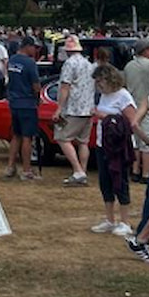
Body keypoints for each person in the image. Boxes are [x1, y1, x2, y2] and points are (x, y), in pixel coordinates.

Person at [89, 64, 140, 236]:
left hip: (119, 147)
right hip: (102, 144)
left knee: (120, 182)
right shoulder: (104, 96)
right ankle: (109, 219)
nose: (98, 85)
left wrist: (104, 116)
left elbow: (131, 121)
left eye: (100, 81)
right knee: (105, 183)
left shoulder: (123, 96)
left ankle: (125, 221)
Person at [54, 39, 94, 186]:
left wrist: (59, 108)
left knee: (62, 138)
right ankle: (82, 171)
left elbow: (65, 87)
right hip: (88, 107)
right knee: (83, 142)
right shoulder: (88, 64)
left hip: (73, 108)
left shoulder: (69, 64)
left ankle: (78, 171)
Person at [4, 41, 43, 181]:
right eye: (34, 47)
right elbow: (36, 85)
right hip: (27, 103)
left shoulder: (12, 60)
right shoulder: (30, 63)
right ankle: (26, 170)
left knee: (16, 135)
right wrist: (38, 96)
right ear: (28, 46)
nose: (36, 50)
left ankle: (10, 167)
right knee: (27, 137)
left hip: (14, 102)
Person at [124, 41, 149, 181]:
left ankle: (135, 170)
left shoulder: (129, 66)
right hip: (147, 105)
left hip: (132, 104)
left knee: (135, 140)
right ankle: (146, 173)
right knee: (147, 140)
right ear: (146, 50)